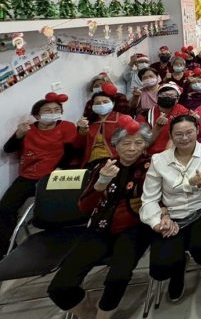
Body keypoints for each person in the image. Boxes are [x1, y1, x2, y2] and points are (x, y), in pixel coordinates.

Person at [47, 120, 153, 319]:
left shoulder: (151, 166)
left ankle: (104, 314)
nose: (132, 148)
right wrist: (101, 183)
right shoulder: (103, 166)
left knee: (118, 276)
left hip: (135, 228)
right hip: (99, 228)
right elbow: (85, 207)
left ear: (145, 145)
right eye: (126, 143)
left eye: (138, 143)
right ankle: (87, 312)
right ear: (116, 145)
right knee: (60, 287)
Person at [140, 115, 201, 302]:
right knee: (160, 268)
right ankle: (178, 268)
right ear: (171, 135)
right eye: (178, 134)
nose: (184, 138)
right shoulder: (159, 160)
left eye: (189, 132)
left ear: (197, 131)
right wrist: (156, 222)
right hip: (172, 214)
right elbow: (149, 198)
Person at [1, 93, 78, 258]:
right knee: (5, 208)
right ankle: (7, 248)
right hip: (28, 175)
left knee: (53, 209)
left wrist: (59, 170)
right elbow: (8, 149)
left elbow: (71, 152)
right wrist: (18, 134)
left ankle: (58, 243)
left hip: (54, 174)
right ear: (37, 115)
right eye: (48, 110)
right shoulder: (28, 129)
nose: (53, 113)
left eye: (57, 109)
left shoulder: (67, 127)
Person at [75, 83, 128, 168]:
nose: (101, 105)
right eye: (97, 103)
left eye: (105, 102)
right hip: (91, 162)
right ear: (92, 106)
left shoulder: (123, 119)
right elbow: (79, 146)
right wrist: (81, 131)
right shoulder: (89, 122)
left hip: (116, 160)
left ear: (113, 103)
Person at [138, 83, 190, 154]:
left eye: (172, 96)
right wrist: (157, 127)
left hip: (177, 154)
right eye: (163, 95)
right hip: (152, 155)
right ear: (157, 97)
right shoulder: (145, 115)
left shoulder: (184, 113)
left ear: (177, 99)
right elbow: (142, 144)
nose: (167, 97)